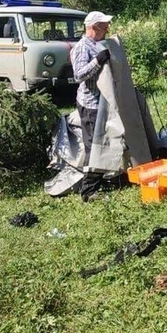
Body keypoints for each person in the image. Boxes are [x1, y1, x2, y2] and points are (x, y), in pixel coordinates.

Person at [71, 10, 113, 199]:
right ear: (94, 27)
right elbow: (78, 75)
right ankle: (88, 191)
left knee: (101, 143)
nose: (107, 29)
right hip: (90, 105)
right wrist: (98, 60)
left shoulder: (97, 44)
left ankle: (98, 180)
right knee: (93, 146)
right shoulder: (82, 47)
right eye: (104, 27)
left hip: (101, 103)